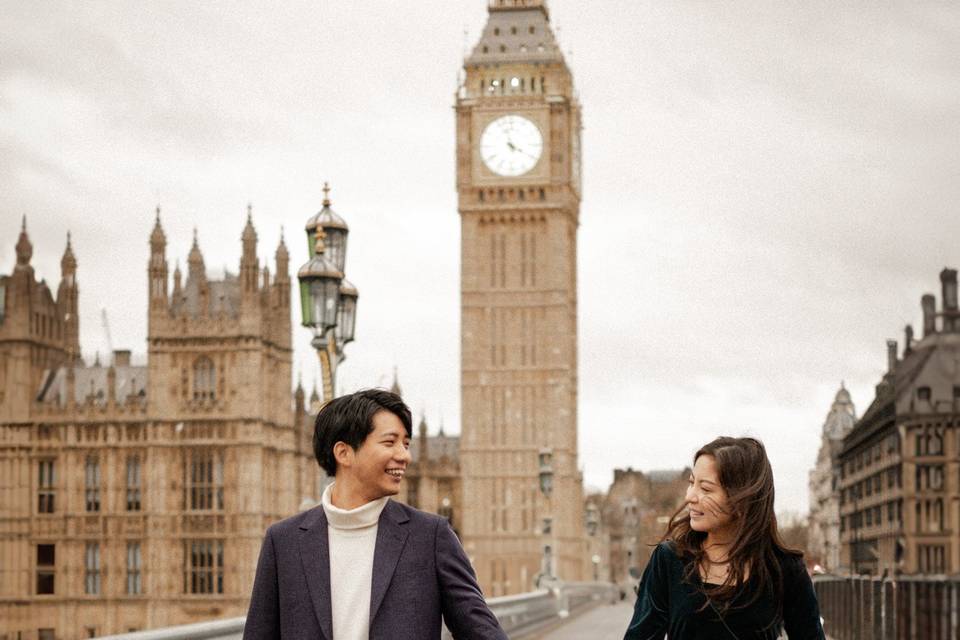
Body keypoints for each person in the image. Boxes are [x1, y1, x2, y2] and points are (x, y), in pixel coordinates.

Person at [243, 389, 507, 640]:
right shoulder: (283, 542)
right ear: (343, 453)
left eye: (406, 444)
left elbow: (480, 631)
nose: (404, 456)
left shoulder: (430, 536)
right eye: (390, 442)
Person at [623, 436, 825, 640]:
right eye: (692, 483)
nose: (690, 497)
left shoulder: (785, 569)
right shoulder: (669, 559)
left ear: (742, 499)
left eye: (706, 489)